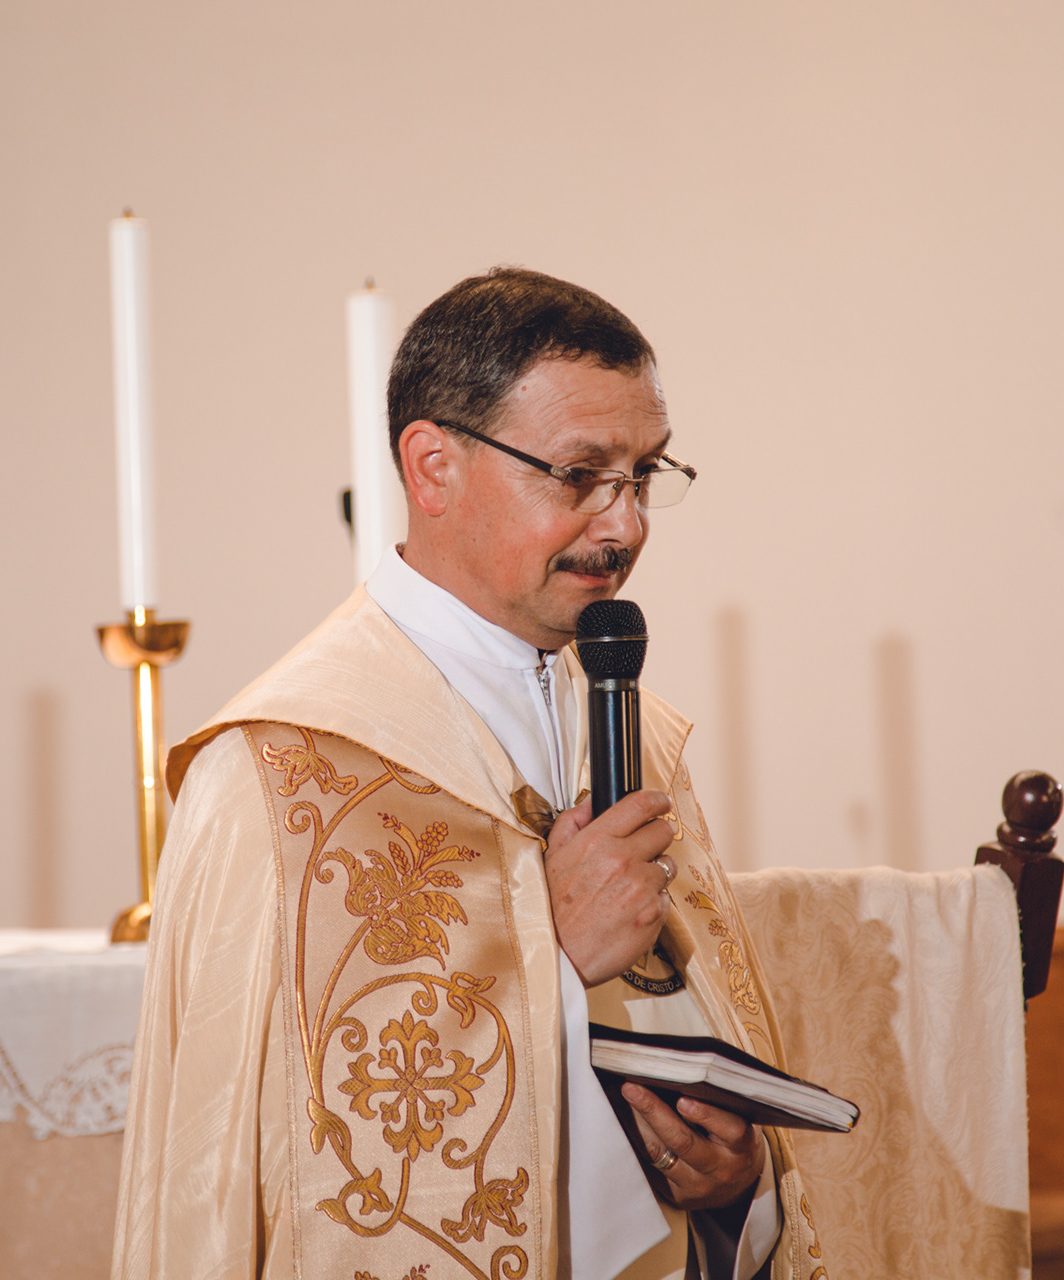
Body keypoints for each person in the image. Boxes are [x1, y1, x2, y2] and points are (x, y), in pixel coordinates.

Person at [112, 268, 828, 1280]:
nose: (625, 525)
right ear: (434, 466)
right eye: (580, 474)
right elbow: (242, 1175)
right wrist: (550, 954)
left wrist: (733, 1186)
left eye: (643, 474)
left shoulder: (635, 736)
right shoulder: (274, 774)